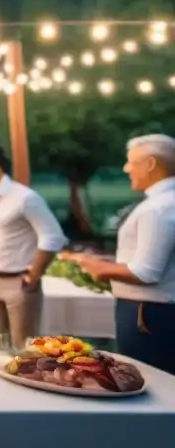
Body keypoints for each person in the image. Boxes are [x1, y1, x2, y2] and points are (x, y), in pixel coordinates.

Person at [68, 135, 175, 374]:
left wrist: (96, 267)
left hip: (148, 315)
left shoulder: (158, 208)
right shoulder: (164, 202)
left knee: (149, 385)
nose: (126, 168)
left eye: (130, 162)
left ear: (150, 164)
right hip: (151, 312)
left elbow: (146, 273)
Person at [0, 145, 67, 344]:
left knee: (24, 350)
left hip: (19, 284)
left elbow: (52, 236)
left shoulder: (26, 198)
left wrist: (34, 275)